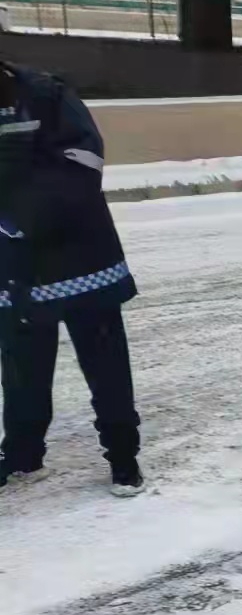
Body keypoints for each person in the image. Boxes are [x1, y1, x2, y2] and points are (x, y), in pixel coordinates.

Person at [0, 61, 143, 495]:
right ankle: (23, 455)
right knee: (21, 367)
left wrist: (19, 217)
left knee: (105, 363)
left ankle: (123, 456)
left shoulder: (45, 94)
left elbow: (82, 159)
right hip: (13, 265)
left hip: (81, 257)